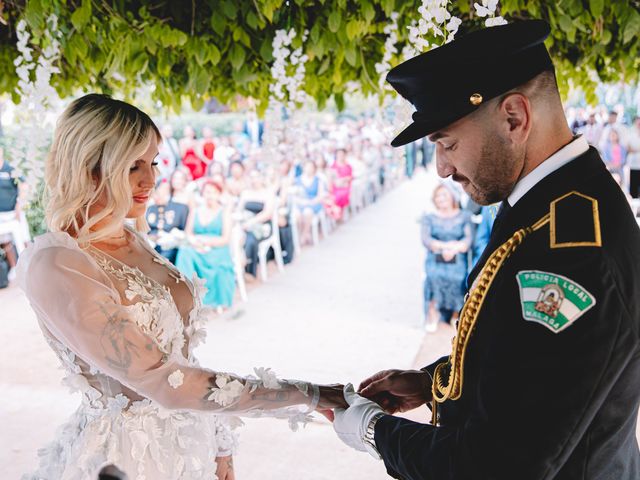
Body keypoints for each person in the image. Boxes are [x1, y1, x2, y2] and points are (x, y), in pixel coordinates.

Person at [332, 21, 640, 479]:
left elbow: (497, 463)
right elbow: (525, 360)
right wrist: (436, 384)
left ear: (514, 117)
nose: (441, 168)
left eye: (448, 143)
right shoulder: (550, 201)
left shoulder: (574, 251)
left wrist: (372, 430)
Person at [16, 94, 346, 480]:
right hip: (125, 456)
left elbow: (181, 360)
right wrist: (310, 394)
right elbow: (165, 381)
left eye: (153, 162)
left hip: (188, 442)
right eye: (133, 166)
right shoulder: (58, 264)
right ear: (88, 166)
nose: (150, 180)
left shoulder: (130, 236)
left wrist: (219, 440)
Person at [175, 180, 235, 309]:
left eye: (214, 192)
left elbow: (225, 239)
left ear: (219, 195)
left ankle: (214, 299)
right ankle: (187, 295)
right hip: (196, 247)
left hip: (217, 248)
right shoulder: (196, 210)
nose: (210, 195)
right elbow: (188, 232)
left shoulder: (224, 212)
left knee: (219, 261)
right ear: (203, 194)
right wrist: (195, 242)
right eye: (207, 192)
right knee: (184, 252)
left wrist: (205, 242)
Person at [421, 182, 472, 332]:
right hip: (435, 258)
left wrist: (454, 248)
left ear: (452, 196)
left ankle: (455, 313)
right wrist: (444, 247)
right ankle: (433, 313)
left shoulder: (464, 217)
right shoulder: (429, 217)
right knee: (433, 276)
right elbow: (426, 240)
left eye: (444, 195)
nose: (440, 198)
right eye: (437, 196)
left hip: (457, 259)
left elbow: (468, 240)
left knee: (458, 278)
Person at [145, 179, 189, 264]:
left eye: (166, 190)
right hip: (151, 243)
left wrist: (172, 236)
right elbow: (145, 230)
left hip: (170, 244)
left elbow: (183, 231)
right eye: (160, 190)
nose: (162, 193)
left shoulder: (181, 208)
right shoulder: (150, 208)